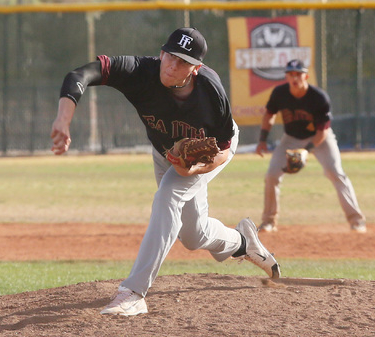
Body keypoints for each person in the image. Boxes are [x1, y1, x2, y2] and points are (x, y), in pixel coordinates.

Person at [50, 27, 280, 317]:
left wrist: (197, 167)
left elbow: (222, 147)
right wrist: (63, 118)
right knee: (193, 235)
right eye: (170, 56)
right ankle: (243, 242)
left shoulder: (211, 91)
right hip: (165, 154)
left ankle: (134, 293)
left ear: (195, 69)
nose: (172, 65)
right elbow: (80, 75)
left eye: (183, 61)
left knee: (167, 197)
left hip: (210, 153)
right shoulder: (140, 72)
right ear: (161, 53)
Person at [256, 59, 366, 233]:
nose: (295, 77)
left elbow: (322, 132)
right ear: (286, 76)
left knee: (335, 172)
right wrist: (262, 139)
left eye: (298, 74)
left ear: (306, 76)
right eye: (291, 74)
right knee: (271, 175)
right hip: (291, 138)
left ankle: (356, 221)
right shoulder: (279, 93)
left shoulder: (318, 97)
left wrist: (306, 151)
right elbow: (269, 115)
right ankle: (269, 221)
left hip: (319, 139)